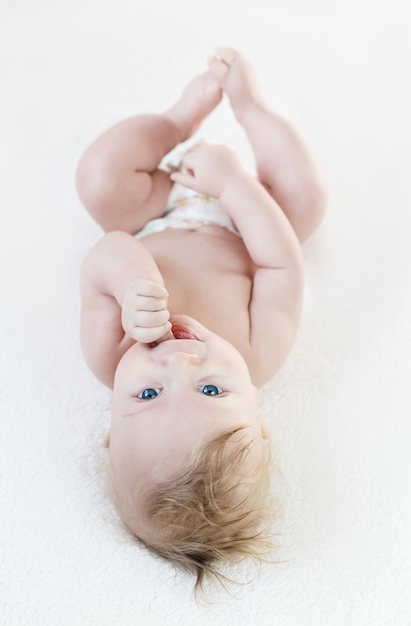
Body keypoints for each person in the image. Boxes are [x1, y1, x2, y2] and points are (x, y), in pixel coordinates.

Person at [76, 47, 327, 592]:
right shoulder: (260, 354)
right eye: (212, 389)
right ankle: (252, 109)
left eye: (147, 397)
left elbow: (105, 253)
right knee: (305, 202)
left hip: (152, 213)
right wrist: (235, 187)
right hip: (244, 222)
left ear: (111, 434)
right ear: (261, 422)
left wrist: (131, 278)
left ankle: (174, 122)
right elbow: (280, 266)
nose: (182, 361)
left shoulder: (107, 354)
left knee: (99, 179)